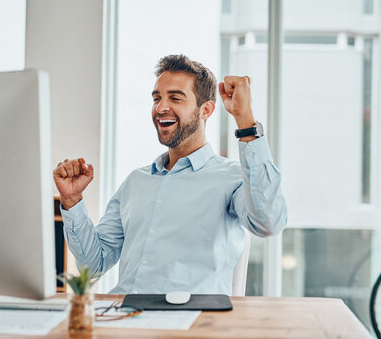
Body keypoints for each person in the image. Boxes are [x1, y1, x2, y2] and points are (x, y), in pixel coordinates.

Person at [53, 54, 287, 295]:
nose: (161, 107)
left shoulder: (232, 178)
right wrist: (72, 201)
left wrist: (245, 120)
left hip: (190, 323)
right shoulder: (136, 182)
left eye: (175, 98)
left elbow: (268, 222)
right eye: (157, 98)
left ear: (205, 110)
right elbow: (93, 265)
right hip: (123, 317)